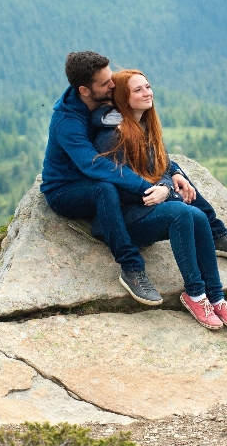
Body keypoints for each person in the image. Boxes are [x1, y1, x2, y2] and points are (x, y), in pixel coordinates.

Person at [91, 68, 227, 330]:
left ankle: (216, 296)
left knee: (197, 216)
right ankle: (195, 293)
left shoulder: (145, 126)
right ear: (123, 96)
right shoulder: (112, 135)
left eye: (148, 86)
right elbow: (114, 183)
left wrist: (171, 181)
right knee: (181, 213)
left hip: (147, 208)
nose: (147, 92)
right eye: (138, 89)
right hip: (125, 218)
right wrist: (168, 192)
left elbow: (162, 166)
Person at [41, 52, 169, 308]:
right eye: (105, 83)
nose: (113, 85)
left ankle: (214, 229)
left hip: (96, 180)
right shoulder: (67, 122)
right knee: (105, 189)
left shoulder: (102, 104)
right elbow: (94, 165)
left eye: (111, 78)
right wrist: (146, 186)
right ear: (84, 90)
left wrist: (171, 174)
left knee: (136, 188)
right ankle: (131, 268)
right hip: (64, 189)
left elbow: (142, 142)